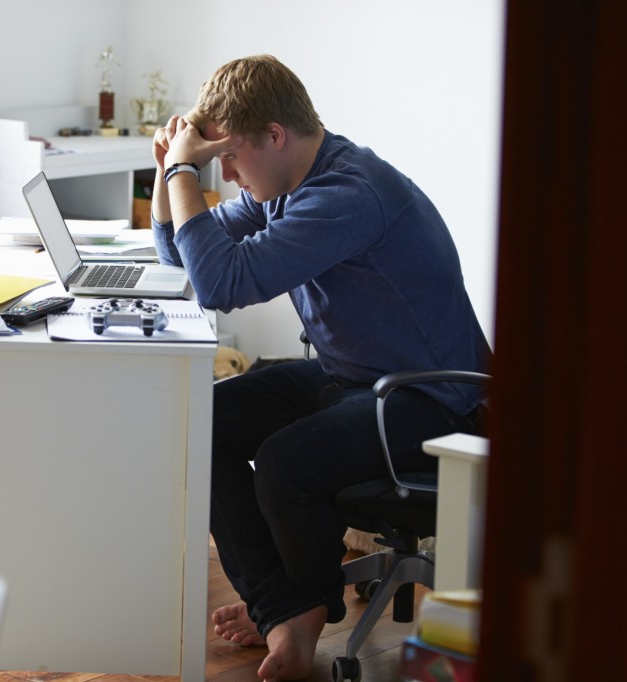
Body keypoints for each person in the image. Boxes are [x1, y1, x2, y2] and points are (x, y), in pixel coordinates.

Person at [150, 55, 491, 681]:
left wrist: (183, 172)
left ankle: (297, 620)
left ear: (275, 136)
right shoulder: (286, 183)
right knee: (198, 420)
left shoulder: (347, 194)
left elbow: (222, 282)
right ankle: (283, 607)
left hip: (432, 400)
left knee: (286, 461)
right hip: (357, 380)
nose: (223, 174)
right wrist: (166, 173)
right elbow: (184, 258)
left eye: (229, 157)